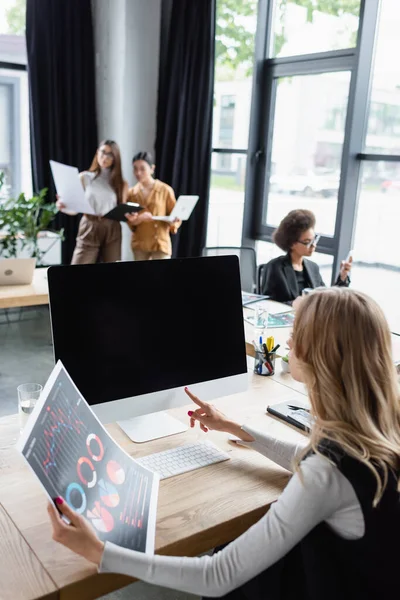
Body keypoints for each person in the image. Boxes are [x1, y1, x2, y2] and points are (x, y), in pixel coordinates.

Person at [48, 287, 400, 599]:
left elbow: (219, 575)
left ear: (320, 354)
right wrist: (236, 428)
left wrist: (99, 552)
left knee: (222, 550)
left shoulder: (326, 473)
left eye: (296, 332)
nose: (289, 341)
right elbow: (311, 458)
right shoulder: (376, 431)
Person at [57, 140, 128, 264]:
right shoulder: (84, 177)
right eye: (103, 152)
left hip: (112, 227)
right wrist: (63, 206)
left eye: (110, 154)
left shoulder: (121, 183)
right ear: (97, 152)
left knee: (114, 272)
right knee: (79, 268)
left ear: (115, 158)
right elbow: (75, 208)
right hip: (90, 224)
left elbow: (122, 210)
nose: (105, 157)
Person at [260, 209, 352, 303]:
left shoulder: (313, 267)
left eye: (314, 240)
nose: (314, 246)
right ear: (292, 243)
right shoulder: (275, 267)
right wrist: (296, 304)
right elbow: (268, 303)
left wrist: (342, 276)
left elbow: (325, 298)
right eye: (307, 242)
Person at [124, 151, 180, 260]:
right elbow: (130, 222)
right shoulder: (131, 193)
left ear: (152, 169)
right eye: (135, 168)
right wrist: (139, 219)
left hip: (160, 244)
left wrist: (174, 221)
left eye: (142, 168)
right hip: (140, 244)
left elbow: (176, 217)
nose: (138, 172)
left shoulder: (165, 190)